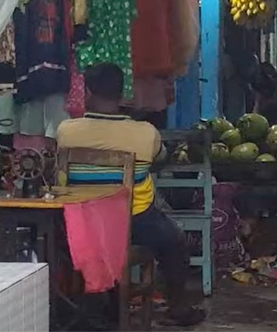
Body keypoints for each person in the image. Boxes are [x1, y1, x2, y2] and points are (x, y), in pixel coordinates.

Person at [56, 63, 203, 326]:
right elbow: (160, 159)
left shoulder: (66, 130)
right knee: (175, 241)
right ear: (122, 92)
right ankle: (178, 308)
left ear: (87, 91)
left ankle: (98, 305)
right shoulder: (146, 133)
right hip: (134, 221)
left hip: (82, 225)